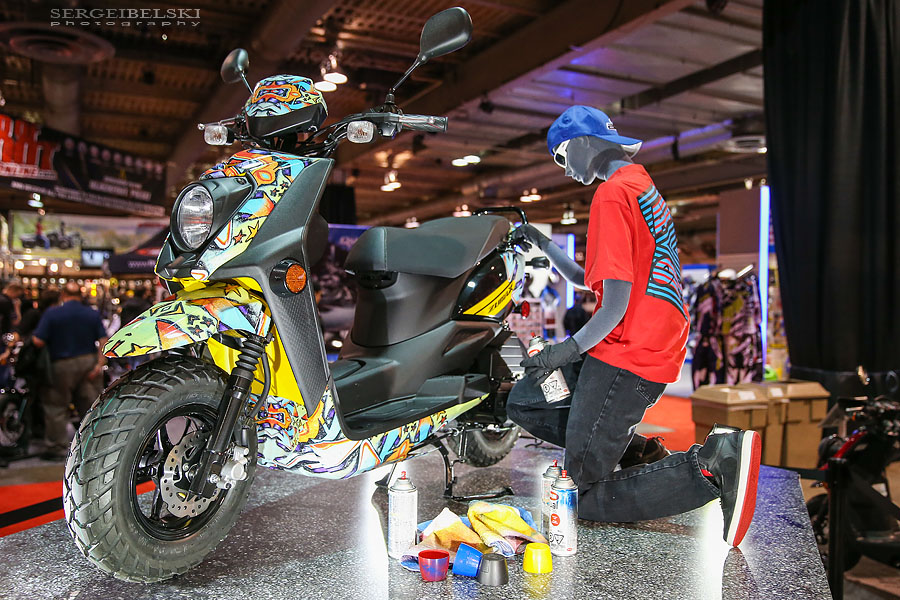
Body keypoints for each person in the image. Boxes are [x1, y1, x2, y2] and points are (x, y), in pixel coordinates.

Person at [508, 105, 761, 547]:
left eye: (562, 155)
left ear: (585, 143)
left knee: (577, 497)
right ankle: (637, 452)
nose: (564, 168)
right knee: (526, 400)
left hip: (625, 356)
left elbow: (615, 307)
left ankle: (710, 466)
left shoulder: (611, 195)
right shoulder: (640, 186)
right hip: (648, 346)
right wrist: (543, 243)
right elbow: (595, 281)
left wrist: (564, 350)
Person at [32, 281, 107, 460]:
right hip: (88, 363)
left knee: (56, 407)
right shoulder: (91, 313)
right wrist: (99, 364)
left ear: (63, 295)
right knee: (91, 407)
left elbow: (38, 341)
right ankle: (94, 446)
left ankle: (57, 448)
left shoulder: (52, 314)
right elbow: (104, 340)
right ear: (80, 296)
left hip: (61, 365)